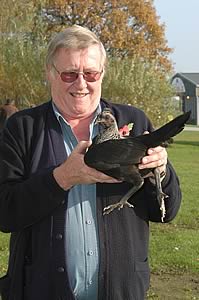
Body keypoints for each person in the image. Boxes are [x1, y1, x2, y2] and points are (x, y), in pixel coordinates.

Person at [0, 25, 181, 300]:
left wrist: (161, 171)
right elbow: (6, 212)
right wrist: (61, 178)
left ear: (102, 74)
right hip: (41, 290)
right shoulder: (23, 128)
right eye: (69, 73)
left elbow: (165, 211)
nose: (81, 83)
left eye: (91, 73)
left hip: (121, 292)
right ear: (50, 74)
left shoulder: (134, 121)